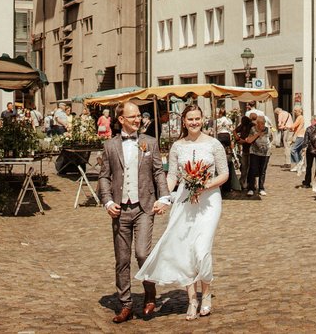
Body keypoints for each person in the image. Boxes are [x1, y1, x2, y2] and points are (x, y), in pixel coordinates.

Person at [136, 105, 228, 320]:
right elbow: (173, 177)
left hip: (209, 200)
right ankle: (192, 299)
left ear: (202, 119)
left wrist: (204, 185)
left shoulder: (214, 144)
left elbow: (224, 174)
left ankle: (206, 294)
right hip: (185, 201)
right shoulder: (177, 146)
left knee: (202, 249)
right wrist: (165, 198)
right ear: (184, 122)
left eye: (197, 118)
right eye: (190, 119)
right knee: (185, 250)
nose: (194, 122)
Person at [97, 101, 170, 323]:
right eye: (133, 117)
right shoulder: (110, 146)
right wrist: (108, 202)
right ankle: (126, 304)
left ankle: (149, 294)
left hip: (144, 206)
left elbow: (158, 172)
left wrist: (164, 196)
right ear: (121, 120)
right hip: (120, 209)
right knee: (122, 259)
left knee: (142, 253)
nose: (138, 119)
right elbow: (103, 176)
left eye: (139, 116)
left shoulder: (150, 142)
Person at [245, 113, 273, 196]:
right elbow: (249, 140)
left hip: (265, 153)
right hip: (254, 152)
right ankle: (251, 188)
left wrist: (268, 146)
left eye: (264, 123)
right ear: (257, 123)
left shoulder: (268, 130)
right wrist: (257, 134)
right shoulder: (253, 129)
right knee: (253, 170)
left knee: (263, 170)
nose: (263, 125)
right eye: (261, 123)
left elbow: (271, 138)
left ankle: (261, 188)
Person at [235, 110, 257, 186]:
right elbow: (234, 131)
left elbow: (252, 138)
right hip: (245, 149)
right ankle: (243, 181)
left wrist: (243, 141)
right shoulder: (242, 125)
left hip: (252, 150)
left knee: (250, 167)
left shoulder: (252, 126)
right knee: (244, 167)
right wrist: (237, 139)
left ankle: (251, 182)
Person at [302, 112, 316, 188]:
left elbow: (305, 141)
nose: (310, 121)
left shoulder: (309, 129)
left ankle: (307, 182)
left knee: (309, 166)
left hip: (310, 150)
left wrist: (304, 149)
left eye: (311, 120)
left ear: (314, 120)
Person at [288, 105, 306, 171]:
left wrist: (287, 126)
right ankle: (302, 166)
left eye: (295, 110)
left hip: (299, 135)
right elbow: (296, 126)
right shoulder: (300, 117)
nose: (294, 112)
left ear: (299, 111)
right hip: (301, 135)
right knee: (299, 151)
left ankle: (298, 164)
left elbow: (294, 125)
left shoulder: (299, 117)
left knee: (293, 150)